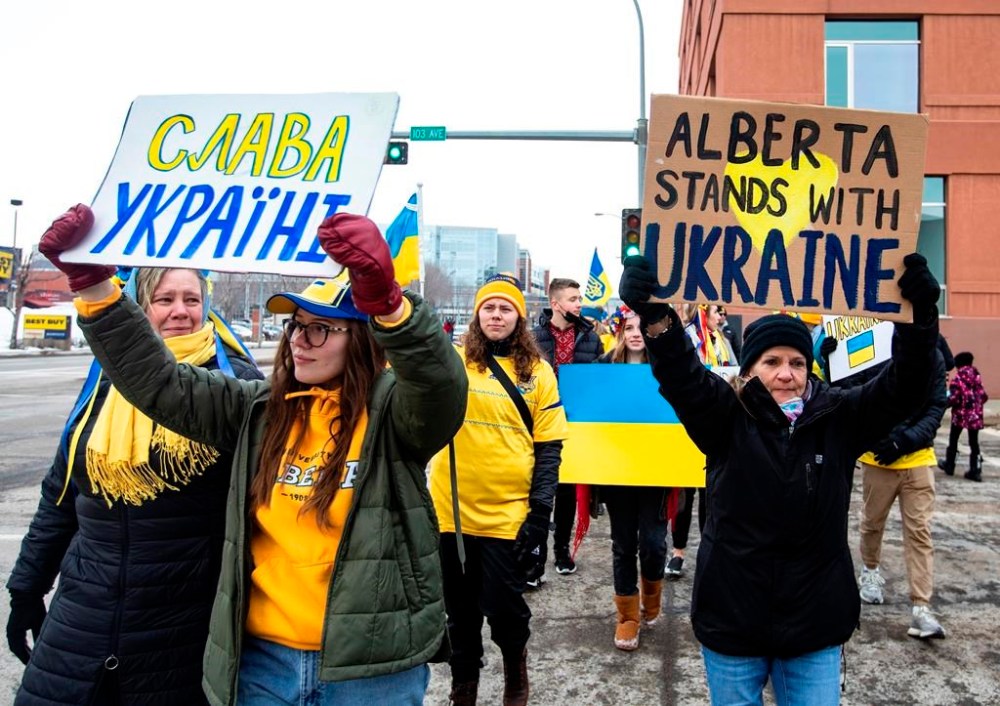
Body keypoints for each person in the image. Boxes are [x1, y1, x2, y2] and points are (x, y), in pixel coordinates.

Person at [35, 205, 468, 706]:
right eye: (295, 326)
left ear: (361, 340)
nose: (300, 341)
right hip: (264, 666)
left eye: (320, 328)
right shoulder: (256, 409)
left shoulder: (394, 414)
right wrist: (93, 285)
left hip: (371, 672)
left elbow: (439, 384)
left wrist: (389, 305)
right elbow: (160, 382)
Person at [619, 252, 941, 705]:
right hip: (732, 618)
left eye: (797, 362)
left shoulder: (840, 416)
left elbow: (905, 386)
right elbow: (681, 375)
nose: (786, 374)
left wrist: (919, 319)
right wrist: (655, 317)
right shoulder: (725, 416)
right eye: (771, 361)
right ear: (749, 369)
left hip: (815, 624)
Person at [5, 263, 262, 705]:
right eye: (165, 299)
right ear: (140, 309)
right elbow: (61, 494)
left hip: (181, 633)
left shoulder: (236, 383)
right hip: (81, 622)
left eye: (192, 299)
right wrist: (27, 587)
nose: (180, 311)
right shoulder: (106, 379)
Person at [429, 273, 568, 706]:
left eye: (505, 308)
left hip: (509, 515)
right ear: (476, 316)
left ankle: (515, 674)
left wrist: (540, 513)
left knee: (507, 610)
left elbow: (549, 448)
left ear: (518, 318)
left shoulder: (539, 372)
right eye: (488, 307)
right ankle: (463, 685)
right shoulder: (453, 361)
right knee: (460, 611)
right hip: (451, 513)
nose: (496, 314)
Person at [852, 349, 948, 639]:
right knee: (872, 523)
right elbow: (855, 393)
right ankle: (870, 572)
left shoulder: (931, 354)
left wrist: (905, 440)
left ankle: (921, 607)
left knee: (920, 532)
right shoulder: (870, 346)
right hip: (877, 459)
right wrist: (828, 361)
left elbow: (936, 406)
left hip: (917, 457)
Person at [596, 306, 671, 651]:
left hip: (658, 470)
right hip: (618, 471)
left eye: (642, 327)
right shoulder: (604, 368)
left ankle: (652, 593)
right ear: (621, 332)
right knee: (623, 543)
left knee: (653, 544)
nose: (636, 333)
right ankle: (627, 616)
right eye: (629, 327)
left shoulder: (667, 368)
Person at [531, 278, 603, 576]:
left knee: (566, 492)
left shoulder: (591, 339)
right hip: (539, 424)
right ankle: (534, 558)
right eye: (573, 299)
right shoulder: (532, 338)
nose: (579, 304)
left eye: (579, 299)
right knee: (538, 491)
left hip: (577, 427)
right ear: (555, 304)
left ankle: (562, 551)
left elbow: (599, 382)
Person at [940, 351, 988, 481]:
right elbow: (983, 396)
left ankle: (950, 465)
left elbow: (954, 398)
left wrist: (944, 404)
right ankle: (975, 470)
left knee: (954, 439)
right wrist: (976, 407)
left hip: (960, 414)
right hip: (975, 416)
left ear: (958, 365)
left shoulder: (958, 378)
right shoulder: (977, 377)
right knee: (974, 443)